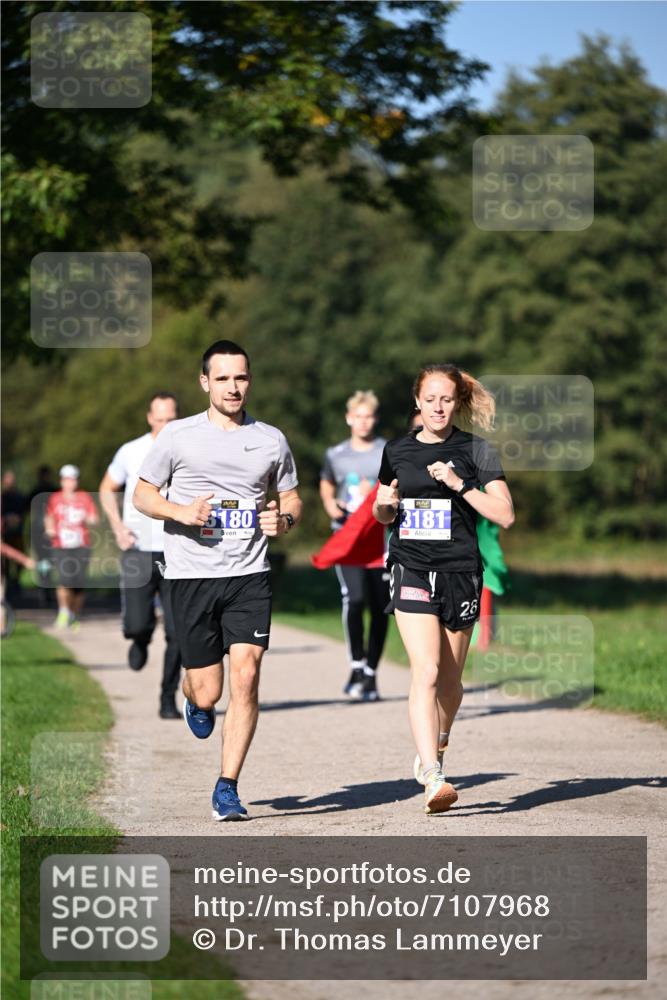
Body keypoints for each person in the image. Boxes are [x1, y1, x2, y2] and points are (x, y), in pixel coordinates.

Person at [133, 339, 302, 821]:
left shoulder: (271, 439)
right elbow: (143, 496)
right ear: (205, 382)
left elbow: (291, 498)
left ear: (250, 380)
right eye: (223, 378)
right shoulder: (177, 437)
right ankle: (195, 700)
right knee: (208, 691)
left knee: (246, 678)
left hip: (249, 574)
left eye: (241, 377)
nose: (234, 387)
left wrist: (284, 521)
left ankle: (227, 787)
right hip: (191, 574)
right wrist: (180, 511)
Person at [373, 364, 514, 815]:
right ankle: (433, 777)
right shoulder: (396, 450)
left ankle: (439, 742)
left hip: (460, 572)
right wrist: (385, 507)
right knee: (427, 672)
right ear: (416, 402)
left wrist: (461, 485)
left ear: (457, 403)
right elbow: (381, 509)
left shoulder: (477, 451)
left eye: (446, 399)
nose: (437, 406)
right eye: (429, 398)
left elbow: (505, 514)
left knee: (451, 681)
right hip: (411, 567)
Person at [99, 393, 182, 719]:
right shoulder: (130, 451)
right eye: (159, 420)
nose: (165, 426)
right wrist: (117, 526)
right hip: (136, 550)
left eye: (171, 419)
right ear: (150, 418)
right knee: (137, 623)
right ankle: (140, 637)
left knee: (177, 633)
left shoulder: (189, 448)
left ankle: (167, 698)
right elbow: (107, 488)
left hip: (178, 551)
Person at [320, 391, 389, 701]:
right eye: (358, 416)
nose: (363, 422)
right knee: (355, 598)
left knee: (379, 607)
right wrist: (329, 504)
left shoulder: (387, 450)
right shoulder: (336, 454)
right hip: (347, 536)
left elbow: (396, 486)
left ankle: (371, 673)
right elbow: (326, 482)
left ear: (375, 419)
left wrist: (375, 491)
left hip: (380, 538)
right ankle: (356, 664)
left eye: (369, 416)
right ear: (349, 418)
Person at [44, 465, 99, 631]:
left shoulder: (84, 497)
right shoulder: (55, 498)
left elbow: (94, 518)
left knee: (78, 583)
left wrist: (89, 518)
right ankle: (63, 611)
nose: (70, 482)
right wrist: (50, 529)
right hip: (61, 545)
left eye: (73, 479)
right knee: (64, 579)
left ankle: (74, 614)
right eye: (67, 479)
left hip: (81, 544)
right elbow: (49, 517)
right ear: (62, 481)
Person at [28, 464, 58, 605]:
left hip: (49, 529)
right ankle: (45, 588)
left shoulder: (50, 490)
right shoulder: (38, 491)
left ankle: (46, 587)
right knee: (44, 560)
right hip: (40, 529)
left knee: (47, 560)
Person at [1, 470, 28, 600]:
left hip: (17, 533)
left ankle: (15, 581)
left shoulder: (20, 497)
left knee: (18, 557)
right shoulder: (3, 498)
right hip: (4, 535)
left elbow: (25, 511)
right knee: (5, 561)